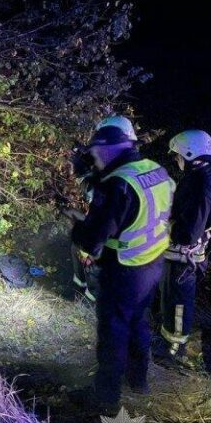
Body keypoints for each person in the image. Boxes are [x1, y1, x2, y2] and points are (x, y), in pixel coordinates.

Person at [70, 124, 174, 413]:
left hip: (125, 269)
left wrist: (77, 226)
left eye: (95, 154)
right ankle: (138, 381)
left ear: (106, 147)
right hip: (153, 262)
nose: (95, 160)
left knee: (113, 330)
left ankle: (105, 397)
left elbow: (93, 240)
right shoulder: (155, 169)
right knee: (138, 322)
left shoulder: (117, 184)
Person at [152, 130, 211, 369]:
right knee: (171, 301)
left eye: (178, 155)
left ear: (190, 154)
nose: (176, 160)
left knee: (179, 305)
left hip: (184, 258)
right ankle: (167, 343)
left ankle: (175, 351)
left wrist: (165, 225)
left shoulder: (202, 185)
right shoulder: (197, 176)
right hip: (178, 256)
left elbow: (189, 231)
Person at [66, 116, 139, 306]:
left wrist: (91, 245)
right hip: (107, 236)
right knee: (79, 251)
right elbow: (96, 181)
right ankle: (80, 293)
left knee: (92, 261)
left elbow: (107, 220)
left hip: (114, 247)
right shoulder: (123, 166)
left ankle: (90, 303)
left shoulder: (121, 179)